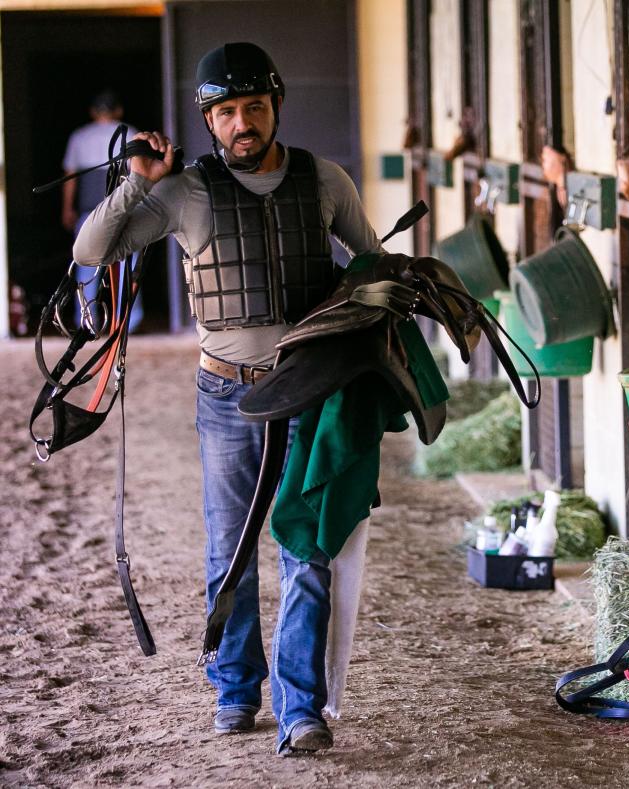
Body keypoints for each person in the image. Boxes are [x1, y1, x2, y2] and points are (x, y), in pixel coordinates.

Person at [73, 42, 382, 756]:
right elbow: (93, 250)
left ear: (275, 106)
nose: (241, 123)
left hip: (309, 389)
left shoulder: (326, 181)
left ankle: (300, 706)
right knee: (232, 551)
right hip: (226, 394)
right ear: (208, 121)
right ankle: (236, 690)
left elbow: (371, 265)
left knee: (307, 548)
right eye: (225, 113)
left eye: (253, 107)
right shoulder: (184, 192)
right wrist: (135, 181)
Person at [62, 89, 144, 332]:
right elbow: (139, 176)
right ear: (118, 110)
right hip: (124, 209)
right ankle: (127, 321)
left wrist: (67, 209)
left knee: (86, 266)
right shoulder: (129, 132)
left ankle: (87, 321)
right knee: (128, 268)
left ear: (92, 112)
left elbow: (71, 177)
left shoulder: (79, 137)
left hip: (90, 210)